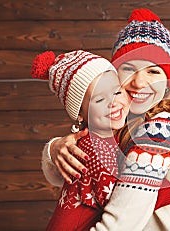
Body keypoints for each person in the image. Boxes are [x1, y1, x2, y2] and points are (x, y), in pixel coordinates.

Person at [42, 8, 170, 230]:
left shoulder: (159, 132)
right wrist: (54, 149)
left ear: (167, 82)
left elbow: (120, 225)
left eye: (153, 72)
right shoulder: (120, 121)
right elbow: (75, 179)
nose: (139, 83)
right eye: (129, 69)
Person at [32, 50, 129, 230]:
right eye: (100, 99)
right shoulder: (91, 148)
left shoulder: (113, 138)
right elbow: (128, 200)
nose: (113, 103)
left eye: (117, 92)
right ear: (80, 114)